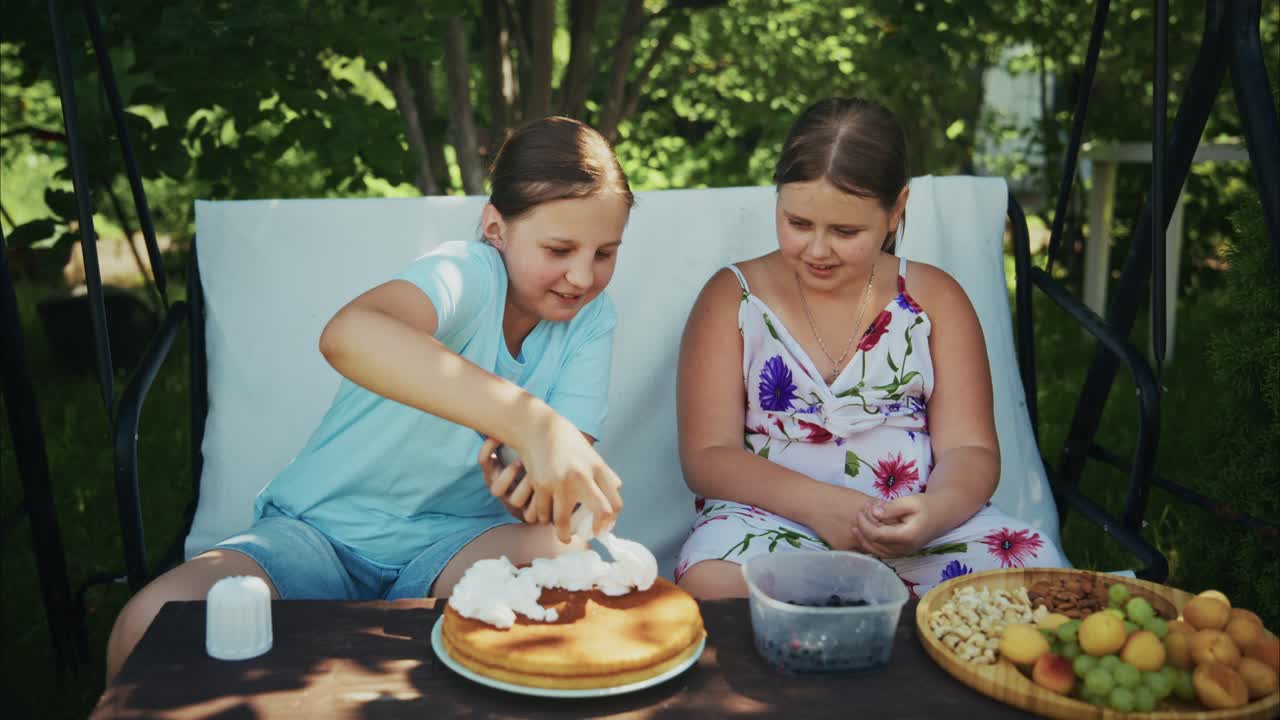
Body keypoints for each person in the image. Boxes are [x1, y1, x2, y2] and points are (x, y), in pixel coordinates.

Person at [106, 116, 633, 681]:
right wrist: (530, 422)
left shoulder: (591, 322)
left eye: (605, 253)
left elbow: (562, 486)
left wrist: (530, 485)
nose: (582, 276)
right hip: (321, 534)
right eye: (560, 249)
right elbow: (349, 334)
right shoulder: (469, 272)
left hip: (458, 545)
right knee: (147, 624)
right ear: (496, 229)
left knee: (595, 568)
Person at [673, 98, 1066, 600]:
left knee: (1036, 570)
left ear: (895, 209)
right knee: (711, 579)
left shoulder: (933, 298)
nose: (817, 250)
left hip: (912, 526)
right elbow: (707, 456)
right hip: (774, 520)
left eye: (845, 232)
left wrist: (934, 513)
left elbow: (971, 449)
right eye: (798, 223)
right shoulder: (734, 297)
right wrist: (822, 507)